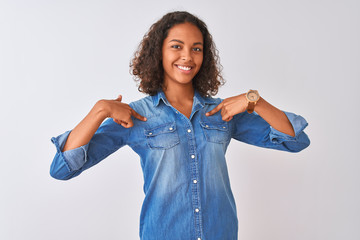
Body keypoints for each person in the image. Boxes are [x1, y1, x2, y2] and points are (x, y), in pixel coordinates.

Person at [50, 11, 310, 240]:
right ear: (158, 52)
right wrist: (100, 110)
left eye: (196, 48)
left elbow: (295, 140)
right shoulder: (136, 116)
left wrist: (255, 100)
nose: (187, 56)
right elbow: (62, 168)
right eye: (177, 46)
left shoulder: (222, 113)